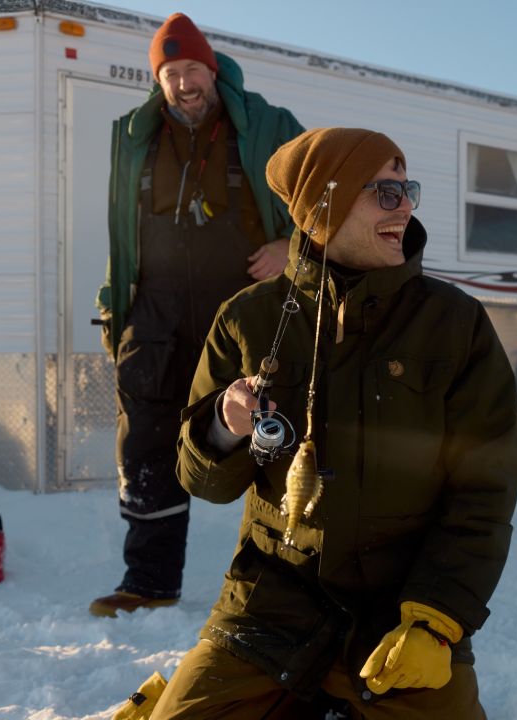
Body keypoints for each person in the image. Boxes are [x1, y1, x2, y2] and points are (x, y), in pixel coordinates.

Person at [150, 127, 517, 718]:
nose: (404, 207)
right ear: (322, 204)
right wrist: (224, 425)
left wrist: (437, 618)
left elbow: (485, 492)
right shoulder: (247, 319)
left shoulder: (456, 325)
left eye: (408, 190)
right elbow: (203, 483)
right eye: (384, 192)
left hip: (401, 610)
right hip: (271, 603)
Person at [91, 12, 305, 618]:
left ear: (213, 71)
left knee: (273, 437)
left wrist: (291, 245)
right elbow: (120, 234)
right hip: (153, 312)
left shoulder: (267, 125)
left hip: (243, 309)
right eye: (170, 72)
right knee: (148, 448)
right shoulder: (134, 136)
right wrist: (117, 307)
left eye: (193, 70)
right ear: (157, 79)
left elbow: (325, 197)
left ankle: (288, 585)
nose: (184, 83)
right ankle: (149, 584)